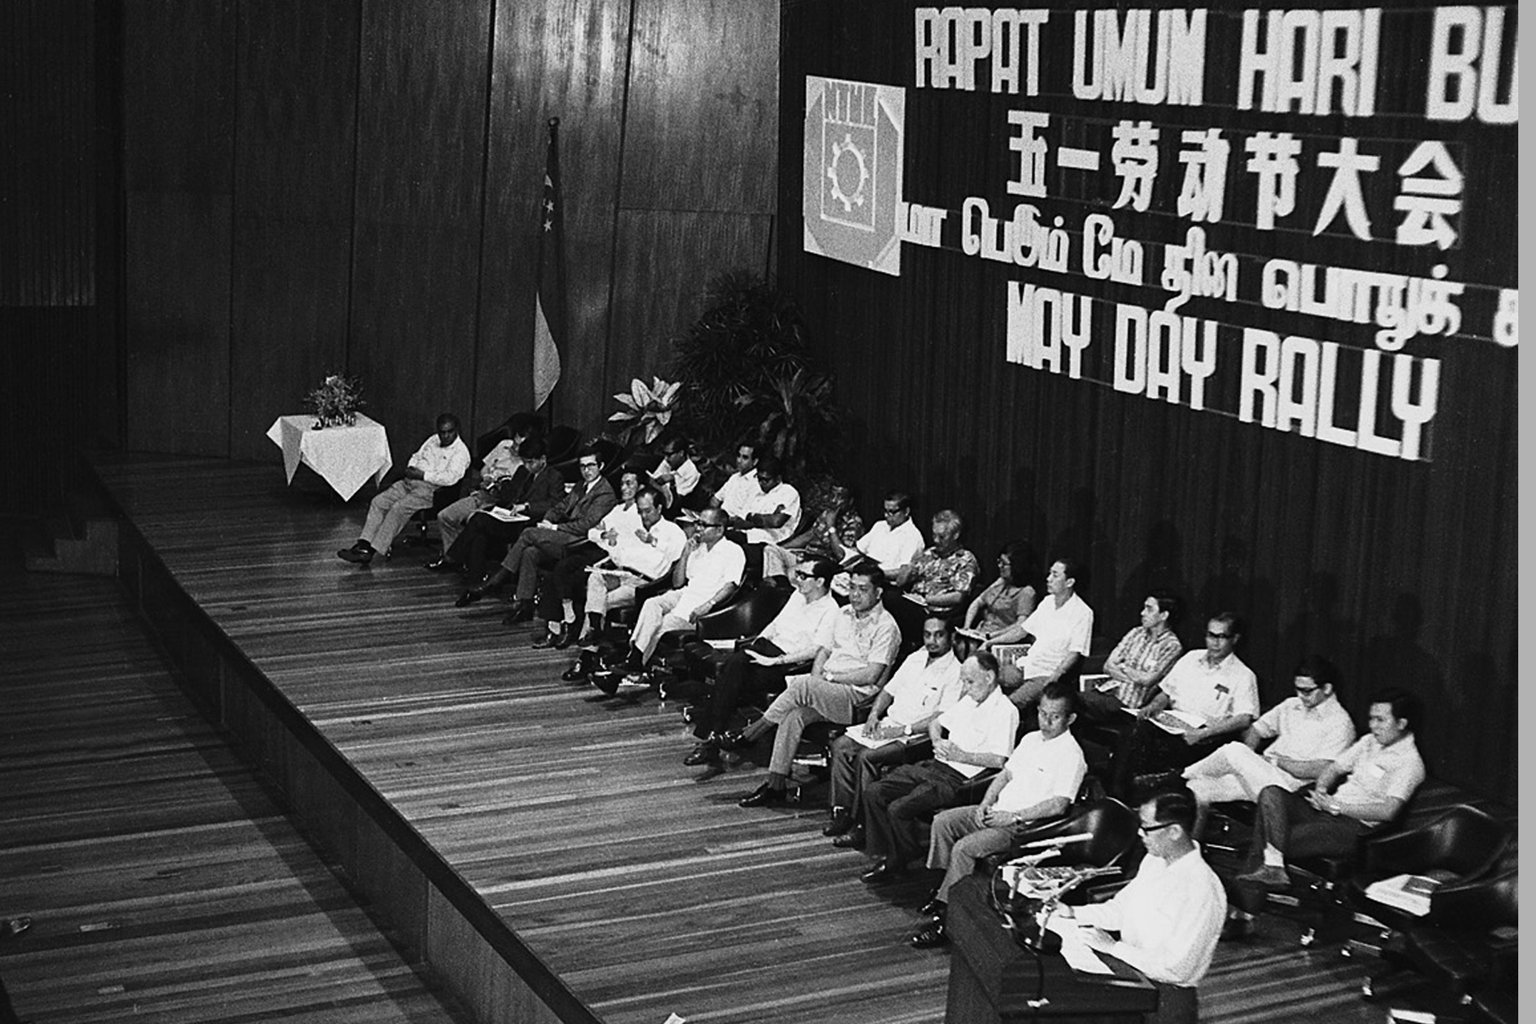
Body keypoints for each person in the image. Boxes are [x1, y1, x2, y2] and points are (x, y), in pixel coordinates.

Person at [912, 683, 1087, 947]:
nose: (1046, 721)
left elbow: (1059, 805)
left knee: (964, 848)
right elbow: (1005, 775)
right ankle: (943, 891)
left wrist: (1013, 817)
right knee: (943, 822)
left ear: (1070, 718)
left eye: (1055, 716)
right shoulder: (1030, 740)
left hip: (1022, 827)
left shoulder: (1072, 755)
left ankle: (947, 920)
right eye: (1042, 713)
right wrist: (985, 803)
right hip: (995, 812)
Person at [725, 565, 902, 807]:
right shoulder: (843, 613)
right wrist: (819, 677)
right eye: (852, 588)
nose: (855, 595)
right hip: (828, 688)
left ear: (878, 592)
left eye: (863, 589)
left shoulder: (886, 626)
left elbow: (871, 675)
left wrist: (827, 680)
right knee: (793, 716)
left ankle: (751, 733)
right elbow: (824, 650)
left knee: (803, 685)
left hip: (857, 697)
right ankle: (775, 786)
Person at [1054, 791, 1225, 1024]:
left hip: (1164, 996)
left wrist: (1113, 947)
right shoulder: (1155, 860)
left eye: (1146, 827)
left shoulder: (1202, 889)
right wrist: (1073, 912)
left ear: (1174, 831)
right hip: (1131, 970)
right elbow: (1121, 910)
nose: (1139, 834)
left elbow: (1176, 969)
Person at [1235, 687, 1424, 892]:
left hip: (1354, 827)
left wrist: (1336, 807)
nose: (1372, 726)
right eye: (1371, 719)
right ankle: (1269, 874)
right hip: (1327, 810)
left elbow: (1388, 811)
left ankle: (1248, 902)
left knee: (1271, 836)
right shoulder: (1370, 741)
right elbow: (1333, 768)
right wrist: (1322, 790)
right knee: (1271, 793)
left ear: (1401, 723)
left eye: (1380, 720)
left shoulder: (1409, 762)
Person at [858, 651, 1020, 885]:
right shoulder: (969, 701)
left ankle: (897, 860)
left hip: (959, 780)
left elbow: (1000, 761)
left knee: (898, 808)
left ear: (989, 677)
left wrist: (962, 756)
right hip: (935, 766)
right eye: (963, 680)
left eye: (969, 681)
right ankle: (895, 852)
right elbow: (936, 723)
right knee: (874, 792)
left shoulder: (1005, 711)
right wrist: (937, 741)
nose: (965, 687)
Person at [683, 557, 841, 767]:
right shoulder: (798, 596)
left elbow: (816, 651)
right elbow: (775, 625)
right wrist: (757, 643)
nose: (797, 579)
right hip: (765, 651)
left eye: (803, 576)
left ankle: (711, 741)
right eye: (798, 573)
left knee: (731, 673)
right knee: (734, 668)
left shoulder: (832, 610)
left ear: (820, 581)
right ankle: (716, 739)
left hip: (788, 663)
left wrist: (775, 661)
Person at [823, 616, 965, 845]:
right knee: (840, 746)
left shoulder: (955, 672)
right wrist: (873, 715)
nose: (932, 640)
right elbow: (888, 692)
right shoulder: (914, 659)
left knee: (867, 758)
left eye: (938, 635)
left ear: (951, 637)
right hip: (888, 726)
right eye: (927, 635)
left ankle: (863, 826)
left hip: (914, 737)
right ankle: (842, 813)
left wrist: (902, 731)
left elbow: (940, 718)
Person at [1182, 655, 1356, 838]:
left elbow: (1321, 769)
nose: (1300, 695)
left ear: (1327, 688)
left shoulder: (1340, 723)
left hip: (1289, 790)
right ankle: (1192, 852)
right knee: (1198, 787)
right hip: (1262, 775)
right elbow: (1256, 729)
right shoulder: (1291, 705)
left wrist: (1274, 761)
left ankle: (1180, 774)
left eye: (1307, 691)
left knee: (1234, 750)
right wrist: (1248, 764)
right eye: (1297, 689)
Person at [454, 447, 617, 620]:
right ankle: (524, 606)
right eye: (583, 466)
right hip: (564, 534)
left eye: (591, 466)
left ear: (601, 466)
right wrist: (548, 520)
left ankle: (495, 581)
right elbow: (559, 507)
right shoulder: (580, 486)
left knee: (528, 533)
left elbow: (585, 526)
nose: (586, 470)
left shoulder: (604, 493)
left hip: (580, 541)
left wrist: (553, 528)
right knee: (529, 552)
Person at [594, 507, 745, 693]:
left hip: (705, 604)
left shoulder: (733, 551)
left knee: (659, 626)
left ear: (720, 529)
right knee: (651, 604)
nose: (698, 528)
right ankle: (634, 663)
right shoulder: (698, 549)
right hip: (684, 594)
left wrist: (708, 605)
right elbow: (678, 582)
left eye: (704, 525)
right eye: (698, 523)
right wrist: (686, 554)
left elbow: (731, 586)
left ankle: (626, 670)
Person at [1109, 612, 1258, 799]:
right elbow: (1166, 692)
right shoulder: (1191, 658)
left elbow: (1244, 718)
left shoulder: (1243, 675)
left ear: (1235, 639)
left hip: (1206, 736)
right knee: (1132, 732)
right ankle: (1116, 798)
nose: (1214, 643)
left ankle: (1128, 797)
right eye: (1211, 635)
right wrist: (1154, 705)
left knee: (1142, 744)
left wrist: (1203, 734)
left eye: (1222, 637)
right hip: (1173, 724)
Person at [338, 413, 470, 564]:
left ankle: (371, 551)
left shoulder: (460, 452)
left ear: (457, 430)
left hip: (432, 490)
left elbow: (450, 478)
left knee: (398, 508)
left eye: (449, 432)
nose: (445, 436)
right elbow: (416, 455)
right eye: (442, 432)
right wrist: (411, 467)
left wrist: (422, 475)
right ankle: (363, 544)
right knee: (378, 502)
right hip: (409, 481)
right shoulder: (433, 439)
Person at [438, 436, 564, 582]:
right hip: (512, 517)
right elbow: (511, 496)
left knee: (479, 520)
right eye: (524, 461)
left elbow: (555, 504)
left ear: (542, 459)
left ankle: (453, 557)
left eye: (530, 462)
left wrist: (528, 506)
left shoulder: (554, 476)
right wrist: (502, 484)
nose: (527, 466)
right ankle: (475, 577)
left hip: (529, 522)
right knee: (479, 533)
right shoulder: (522, 471)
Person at [989, 557, 1094, 716]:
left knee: (1007, 707)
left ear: (1069, 582)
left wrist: (1054, 678)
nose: (1048, 578)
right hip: (1025, 667)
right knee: (982, 677)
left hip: (1046, 675)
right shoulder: (1047, 602)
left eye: (1055, 575)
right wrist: (990, 642)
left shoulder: (1083, 613)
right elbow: (1021, 631)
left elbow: (1075, 653)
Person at [426, 418, 538, 566]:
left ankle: (462, 559)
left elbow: (512, 494)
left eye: (520, 446)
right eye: (514, 443)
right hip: (482, 493)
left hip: (497, 502)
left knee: (474, 520)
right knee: (445, 516)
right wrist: (488, 477)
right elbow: (484, 468)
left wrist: (499, 483)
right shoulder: (504, 445)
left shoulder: (526, 465)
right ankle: (456, 557)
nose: (515, 448)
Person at [1079, 591, 1183, 725]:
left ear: (1164, 615)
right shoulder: (1136, 633)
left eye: (1149, 609)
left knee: (1067, 701)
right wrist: (1133, 675)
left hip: (1127, 703)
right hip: (1106, 692)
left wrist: (1122, 667)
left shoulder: (1171, 645)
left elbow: (1148, 680)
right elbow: (1107, 666)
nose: (1142, 613)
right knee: (1061, 700)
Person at [884, 509, 979, 641]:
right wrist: (883, 573)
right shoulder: (929, 553)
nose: (936, 540)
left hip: (936, 612)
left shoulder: (965, 559)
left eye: (942, 537)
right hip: (914, 602)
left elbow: (958, 597)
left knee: (891, 601)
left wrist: (927, 599)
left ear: (955, 535)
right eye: (934, 535)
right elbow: (904, 577)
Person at [761, 481, 863, 582]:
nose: (834, 501)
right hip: (805, 557)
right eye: (832, 495)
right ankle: (778, 584)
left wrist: (831, 526)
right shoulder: (826, 514)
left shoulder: (854, 523)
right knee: (771, 550)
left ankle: (781, 586)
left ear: (850, 501)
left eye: (840, 497)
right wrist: (781, 548)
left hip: (823, 564)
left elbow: (842, 556)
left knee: (792, 572)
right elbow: (808, 536)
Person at [960, 542, 1038, 645]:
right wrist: (967, 627)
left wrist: (991, 636)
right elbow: (977, 603)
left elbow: (1020, 626)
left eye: (1004, 564)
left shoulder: (1026, 592)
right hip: (981, 632)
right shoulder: (1001, 582)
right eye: (999, 562)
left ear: (1017, 566)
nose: (1000, 566)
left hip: (999, 638)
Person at [648, 436, 702, 512]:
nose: (666, 458)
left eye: (669, 455)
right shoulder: (668, 461)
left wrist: (673, 479)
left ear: (681, 453)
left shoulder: (692, 472)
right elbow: (655, 477)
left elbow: (677, 500)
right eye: (665, 454)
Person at [710, 441, 760, 519]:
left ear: (755, 461)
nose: (739, 461)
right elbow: (716, 499)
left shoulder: (756, 483)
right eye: (738, 456)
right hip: (719, 518)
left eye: (745, 457)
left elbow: (745, 515)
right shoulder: (735, 477)